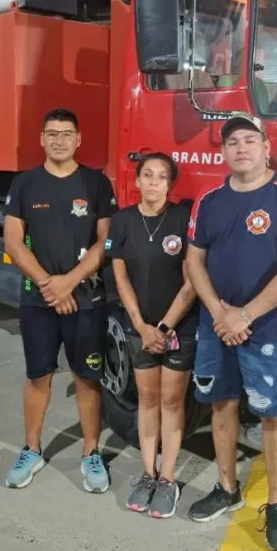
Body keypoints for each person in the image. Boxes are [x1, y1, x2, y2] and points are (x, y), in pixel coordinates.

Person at [184, 111, 277, 551]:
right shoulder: (209, 199)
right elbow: (194, 260)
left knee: (271, 413)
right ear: (223, 151)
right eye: (232, 142)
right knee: (221, 404)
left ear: (265, 147)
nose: (240, 148)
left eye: (249, 140)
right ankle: (227, 488)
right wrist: (219, 312)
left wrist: (244, 315)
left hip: (268, 327)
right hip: (216, 324)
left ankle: (276, 505)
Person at [2, 107, 117, 493]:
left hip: (85, 299)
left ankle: (90, 452)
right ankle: (31, 449)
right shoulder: (25, 184)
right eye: (51, 134)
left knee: (87, 377)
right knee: (38, 376)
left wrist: (69, 282)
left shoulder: (95, 183)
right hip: (39, 301)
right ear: (41, 139)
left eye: (66, 133)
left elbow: (105, 242)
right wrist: (49, 285)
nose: (59, 140)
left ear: (78, 139)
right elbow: (13, 242)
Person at [104, 152, 199, 518]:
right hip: (139, 329)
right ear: (137, 180)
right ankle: (148, 474)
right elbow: (120, 277)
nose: (154, 182)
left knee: (172, 401)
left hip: (178, 327)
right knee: (147, 399)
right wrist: (141, 325)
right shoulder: (123, 220)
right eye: (148, 175)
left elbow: (191, 282)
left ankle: (167, 478)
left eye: (161, 176)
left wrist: (164, 327)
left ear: (170, 184)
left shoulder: (182, 219)